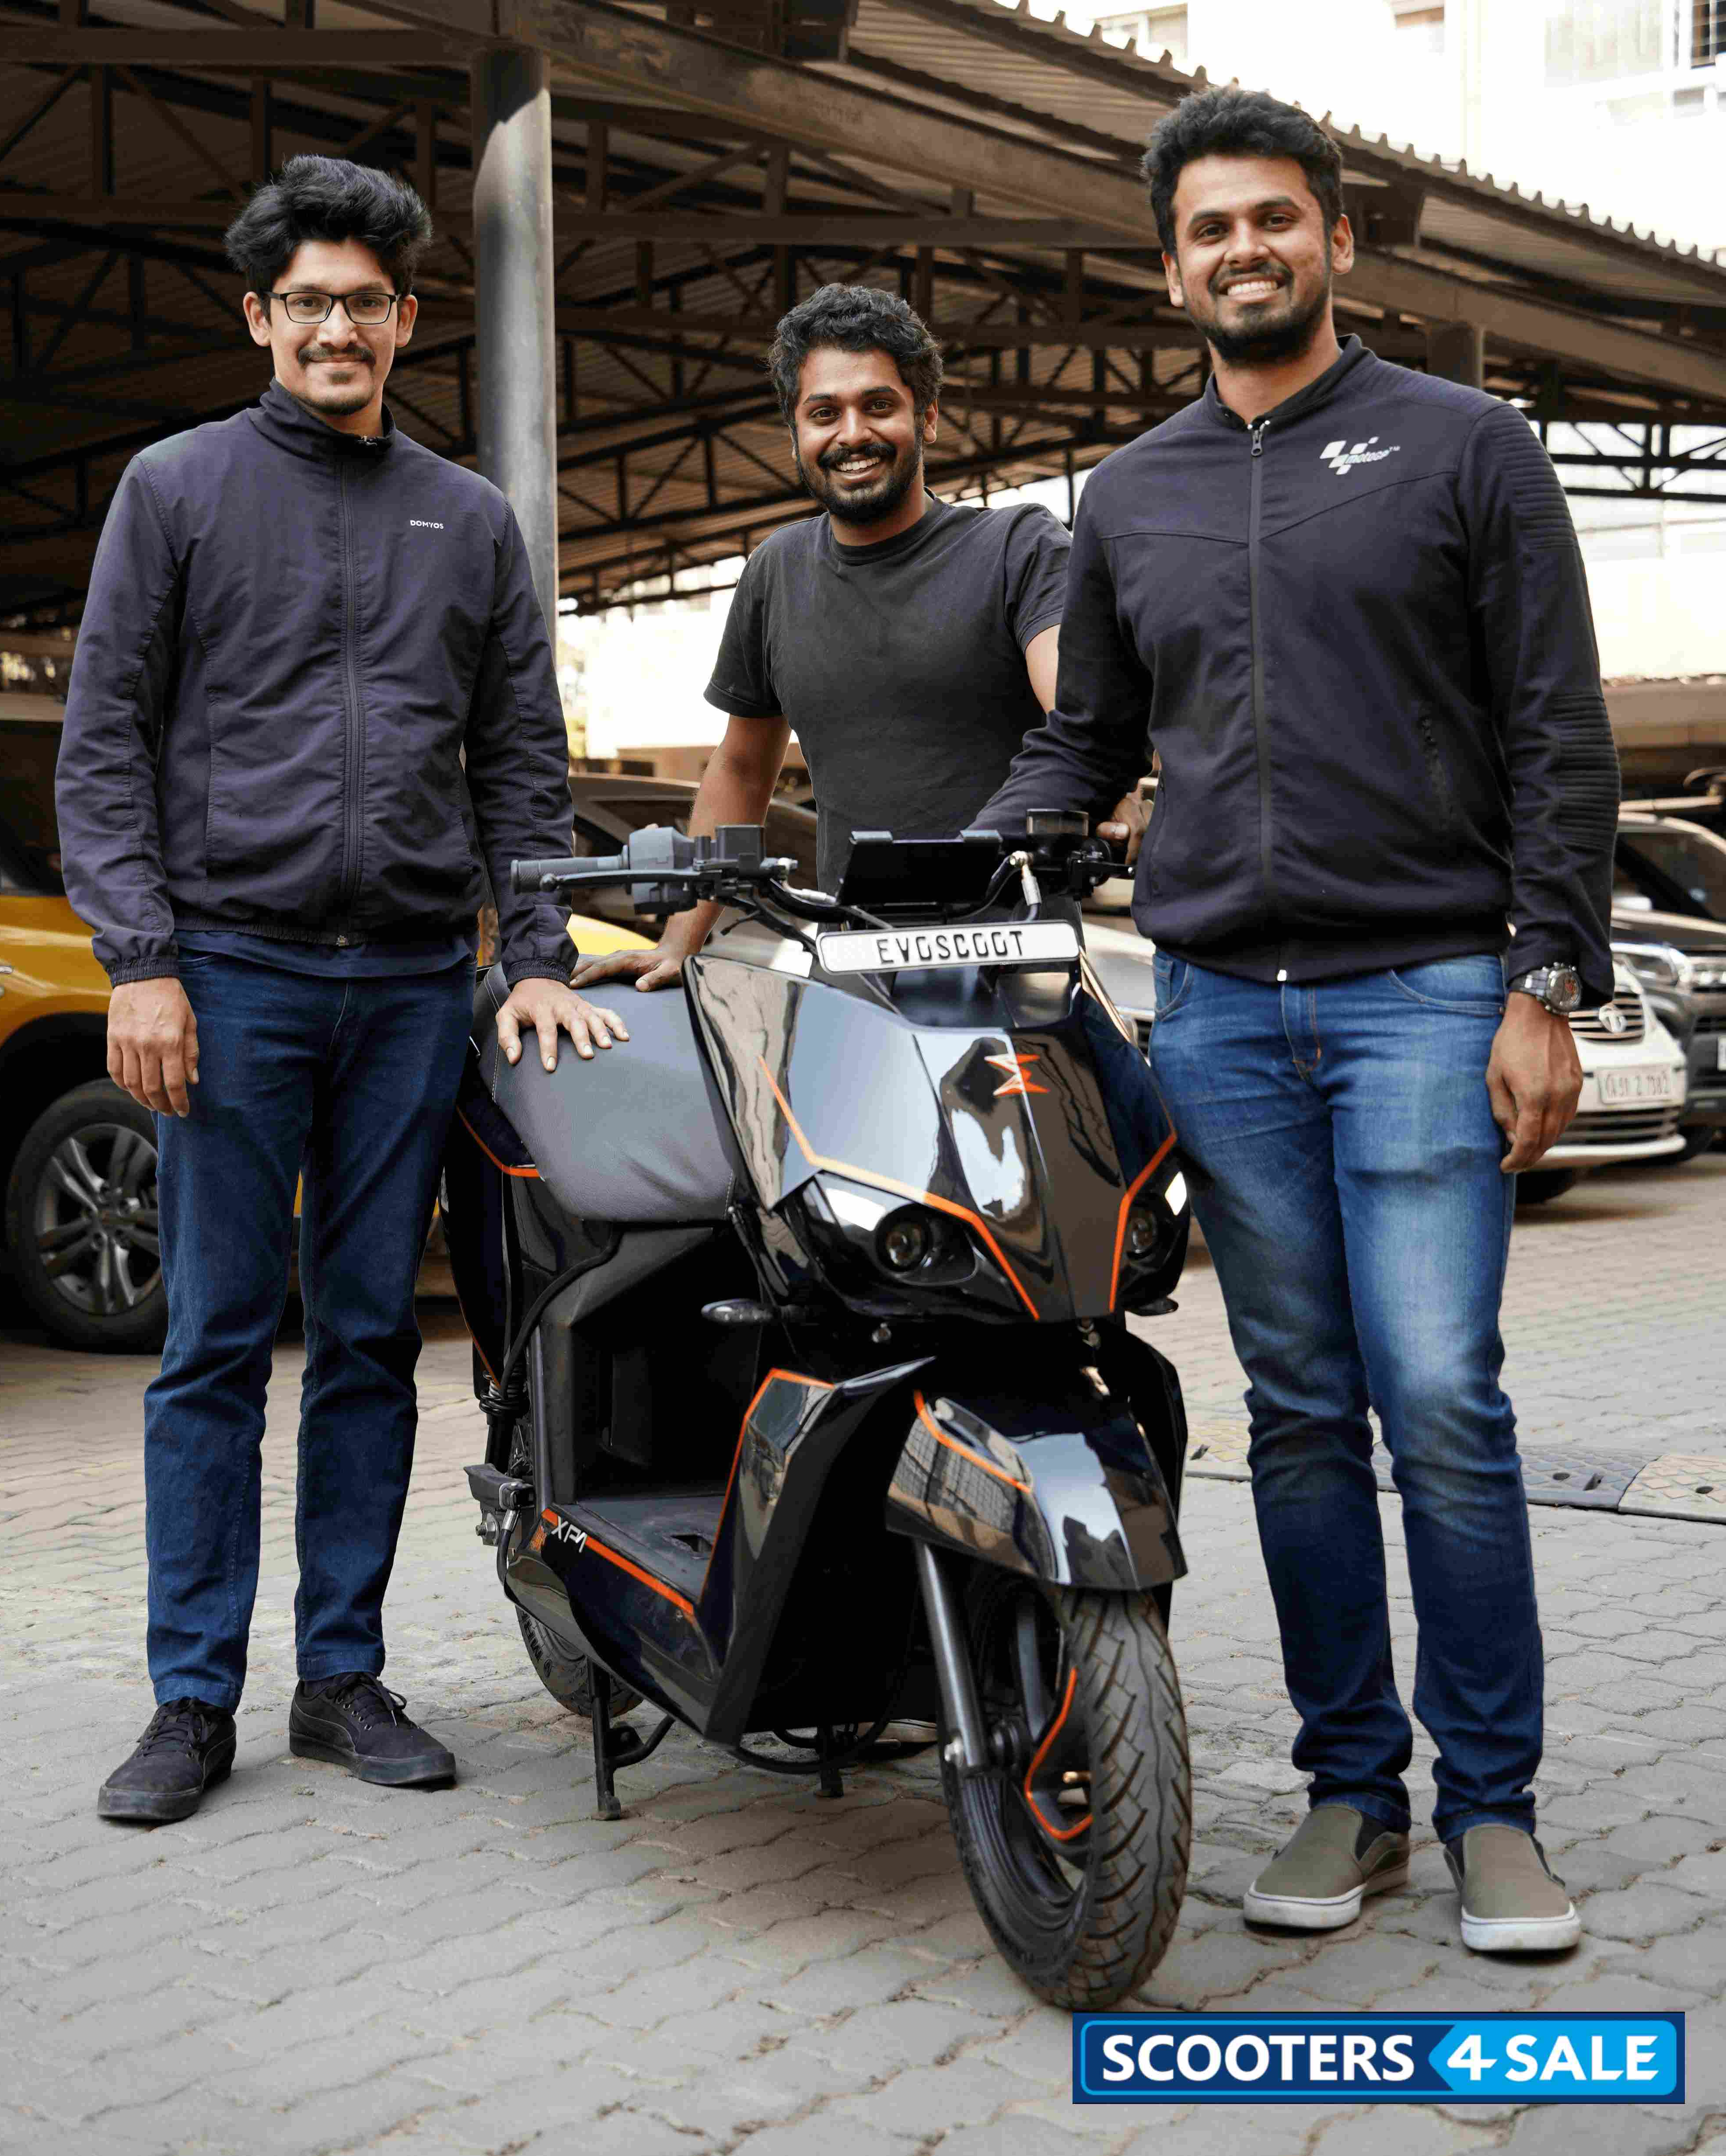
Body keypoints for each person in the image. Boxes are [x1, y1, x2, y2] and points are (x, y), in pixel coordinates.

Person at [981, 87, 1619, 1954]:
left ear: (1337, 239)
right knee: (1300, 1417)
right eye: (1208, 228)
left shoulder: (1466, 446)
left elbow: (1555, 727)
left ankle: (1493, 1807)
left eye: (1274, 217)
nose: (1242, 249)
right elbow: (1090, 740)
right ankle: (1354, 1790)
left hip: (1425, 990)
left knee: (1442, 1401)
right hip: (1220, 1012)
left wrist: (1545, 979)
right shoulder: (1132, 492)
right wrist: (957, 861)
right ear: (1170, 267)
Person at [59, 155, 623, 1825]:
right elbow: (104, 742)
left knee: (372, 1337)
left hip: (407, 987)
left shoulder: (471, 518)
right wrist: (142, 963)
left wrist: (534, 957)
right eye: (306, 302)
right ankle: (190, 1699)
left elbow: (522, 760)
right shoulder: (176, 489)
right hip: (230, 976)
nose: (335, 330)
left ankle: (341, 1679)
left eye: (364, 304)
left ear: (406, 320)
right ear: (259, 316)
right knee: (216, 1342)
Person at [571, 283, 1141, 994]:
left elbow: (1080, 717)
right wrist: (681, 939)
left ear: (927, 415)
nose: (851, 434)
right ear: (795, 435)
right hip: (854, 965)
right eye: (824, 413)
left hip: (1015, 958)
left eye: (878, 405)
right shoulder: (776, 572)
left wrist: (1112, 787)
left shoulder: (1017, 548)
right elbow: (741, 770)